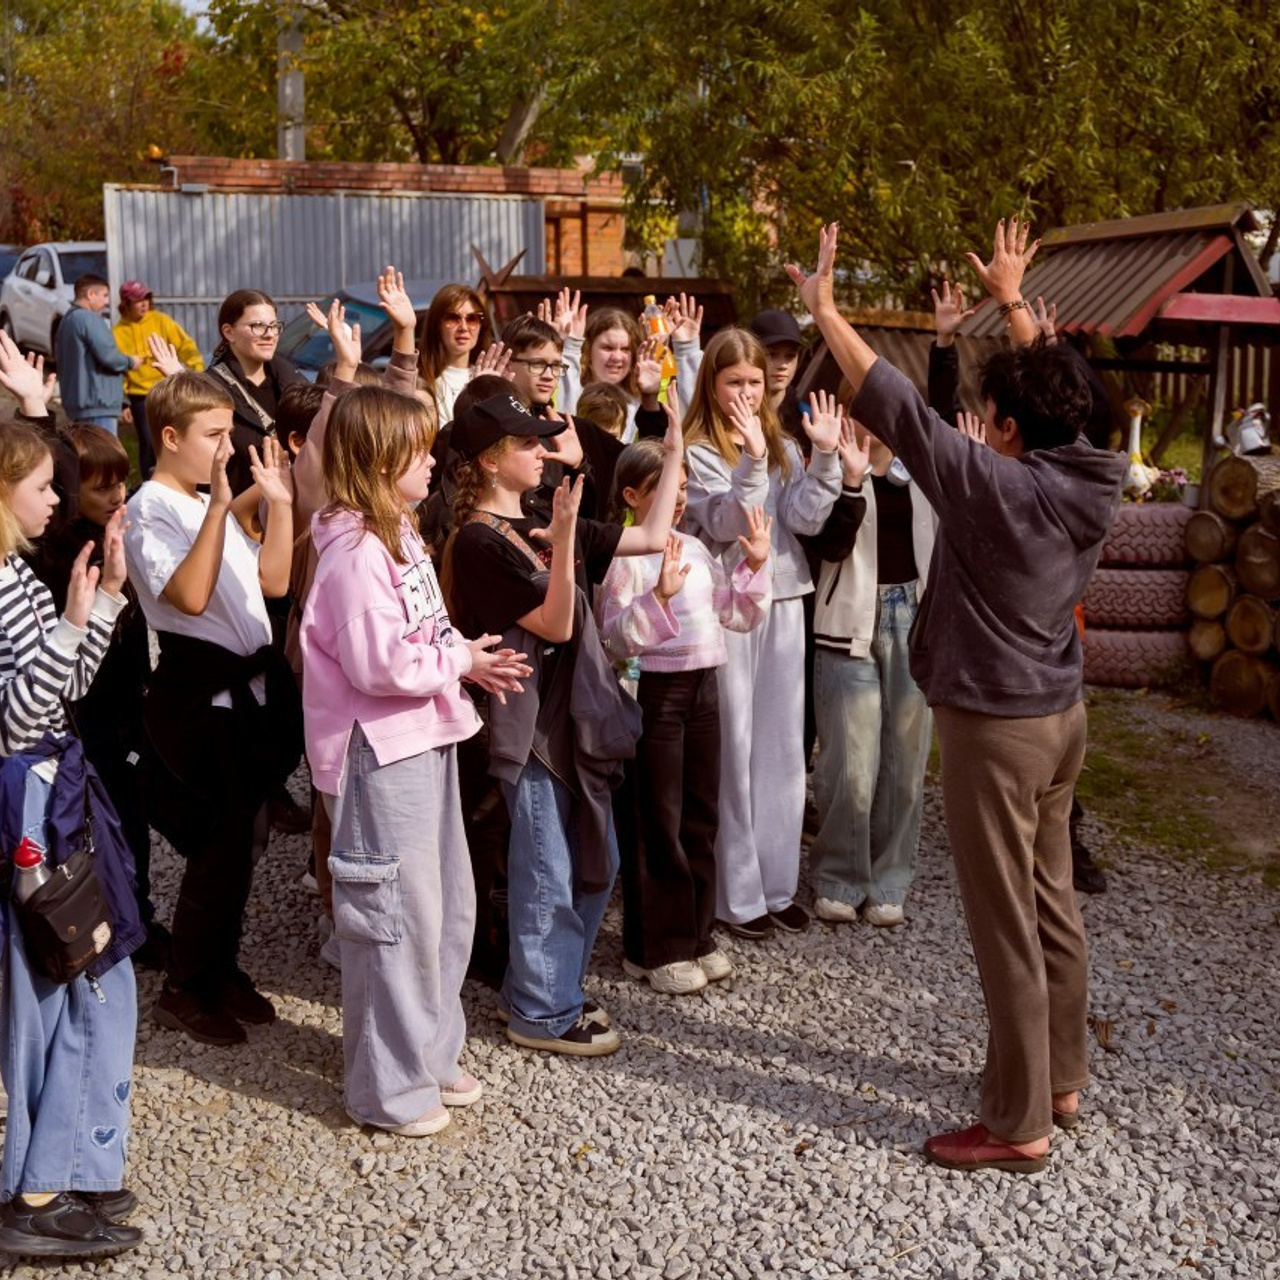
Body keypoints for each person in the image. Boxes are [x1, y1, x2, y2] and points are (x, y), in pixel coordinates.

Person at [787, 219, 1125, 1172]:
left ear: (1008, 431)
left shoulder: (992, 488)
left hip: (998, 726)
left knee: (1006, 923)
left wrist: (826, 311)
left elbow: (890, 402)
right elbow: (1068, 401)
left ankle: (1020, 1122)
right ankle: (1061, 1076)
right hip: (1061, 718)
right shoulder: (1094, 473)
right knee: (1052, 901)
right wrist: (1015, 307)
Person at [299, 380, 528, 1136]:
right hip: (378, 754)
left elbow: (420, 640)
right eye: (417, 452)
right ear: (377, 458)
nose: (432, 465)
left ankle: (428, 1054)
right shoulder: (355, 554)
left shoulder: (397, 535)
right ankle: (388, 1090)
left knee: (444, 905)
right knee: (391, 918)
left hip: (423, 739)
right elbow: (377, 665)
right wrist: (457, 663)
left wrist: (462, 655)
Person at [444, 393, 683, 1056]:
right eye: (529, 444)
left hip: (575, 722)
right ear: (491, 462)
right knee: (546, 869)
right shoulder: (476, 541)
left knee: (587, 864)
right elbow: (556, 623)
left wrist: (677, 445)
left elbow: (650, 536)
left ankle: (547, 988)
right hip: (531, 732)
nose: (543, 452)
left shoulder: (537, 522)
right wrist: (570, 532)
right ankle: (542, 1013)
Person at [0, 422, 143, 1259]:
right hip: (32, 806)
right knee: (63, 982)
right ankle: (40, 1186)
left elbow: (63, 689)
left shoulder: (16, 572)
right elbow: (18, 718)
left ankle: (69, 1167)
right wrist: (74, 622)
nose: (59, 498)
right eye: (44, 484)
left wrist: (107, 601)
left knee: (94, 974)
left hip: (56, 791)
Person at [123, 372, 300, 1047]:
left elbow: (274, 582)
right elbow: (191, 598)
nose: (228, 448)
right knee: (218, 844)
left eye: (231, 433)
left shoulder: (202, 503)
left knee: (244, 839)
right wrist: (225, 508)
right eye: (215, 435)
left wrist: (278, 505)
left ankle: (219, 966)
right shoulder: (151, 509)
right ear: (170, 437)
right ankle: (184, 986)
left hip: (246, 695)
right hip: (202, 699)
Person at [681, 329, 842, 940]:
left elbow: (802, 518)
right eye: (733, 383)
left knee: (780, 749)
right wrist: (748, 460)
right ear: (712, 385)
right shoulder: (699, 447)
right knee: (737, 745)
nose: (746, 393)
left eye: (753, 382)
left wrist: (824, 458)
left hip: (785, 596)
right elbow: (725, 523)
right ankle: (736, 892)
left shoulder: (781, 442)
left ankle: (777, 884)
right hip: (729, 605)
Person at [596, 438, 773, 993]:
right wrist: (660, 601)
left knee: (700, 814)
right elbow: (614, 637)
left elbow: (735, 615)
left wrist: (754, 565)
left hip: (704, 690)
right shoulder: (625, 558)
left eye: (683, 490)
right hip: (655, 695)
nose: (678, 500)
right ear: (632, 496)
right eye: (665, 489)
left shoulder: (695, 550)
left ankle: (696, 934)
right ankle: (655, 947)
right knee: (657, 820)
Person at [806, 408, 935, 928]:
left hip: (915, 619)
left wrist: (946, 343)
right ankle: (839, 878)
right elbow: (825, 544)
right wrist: (851, 480)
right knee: (850, 766)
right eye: (858, 411)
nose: (870, 421)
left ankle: (890, 880)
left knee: (905, 763)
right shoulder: (830, 470)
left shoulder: (923, 471)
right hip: (848, 621)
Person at [206, 289, 303, 496]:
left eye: (274, 326)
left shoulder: (295, 384)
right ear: (228, 332)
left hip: (291, 516)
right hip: (233, 518)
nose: (269, 334)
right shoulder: (209, 391)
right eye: (257, 326)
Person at [112, 280, 204, 479]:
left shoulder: (161, 320)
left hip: (166, 388)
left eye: (146, 298)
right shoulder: (118, 331)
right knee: (147, 441)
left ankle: (175, 479)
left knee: (172, 438)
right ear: (126, 304)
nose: (144, 303)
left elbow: (185, 345)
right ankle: (149, 483)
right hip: (139, 396)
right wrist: (124, 402)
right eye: (138, 300)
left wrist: (196, 371)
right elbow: (119, 369)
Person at [53, 275, 142, 435]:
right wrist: (131, 361)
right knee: (104, 458)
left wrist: (122, 402)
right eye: (105, 295)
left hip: (78, 406)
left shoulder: (67, 320)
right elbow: (109, 356)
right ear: (90, 295)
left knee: (86, 457)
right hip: (97, 407)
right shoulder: (90, 319)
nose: (107, 302)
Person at [416, 284, 494, 428]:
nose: (463, 327)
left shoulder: (490, 377)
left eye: (472, 319)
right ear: (436, 325)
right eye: (453, 318)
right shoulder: (420, 379)